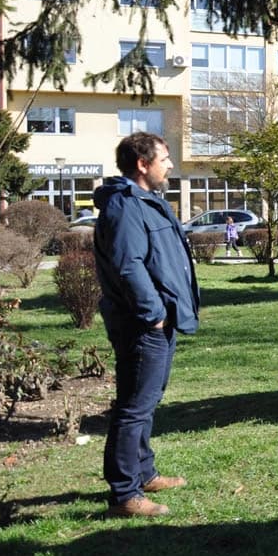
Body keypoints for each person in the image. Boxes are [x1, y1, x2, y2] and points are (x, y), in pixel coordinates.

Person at [93, 133, 200, 518]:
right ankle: (125, 493)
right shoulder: (125, 206)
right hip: (143, 324)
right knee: (134, 407)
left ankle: (143, 472)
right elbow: (128, 265)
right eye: (165, 158)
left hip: (159, 320)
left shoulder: (148, 202)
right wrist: (153, 313)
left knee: (146, 400)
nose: (170, 165)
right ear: (143, 163)